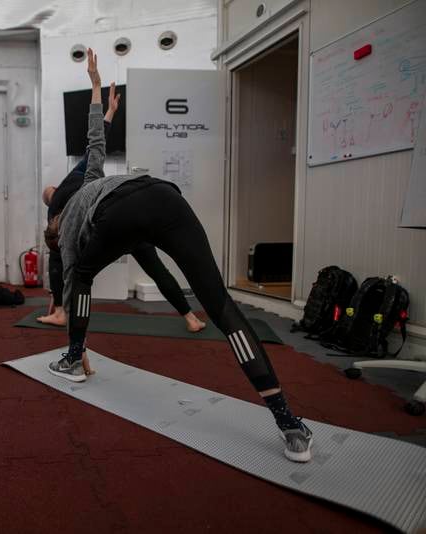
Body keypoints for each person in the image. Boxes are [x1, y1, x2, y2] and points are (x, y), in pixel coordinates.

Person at [45, 49, 313, 463]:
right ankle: (288, 422)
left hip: (120, 214)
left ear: (55, 229)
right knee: (221, 305)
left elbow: (71, 285)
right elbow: (96, 139)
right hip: (163, 196)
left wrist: (76, 343)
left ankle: (71, 360)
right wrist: (97, 88)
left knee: (82, 275)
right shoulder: (91, 181)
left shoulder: (65, 234)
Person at [38, 85, 206, 333]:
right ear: (53, 189)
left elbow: (64, 264)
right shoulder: (77, 183)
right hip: (126, 217)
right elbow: (96, 141)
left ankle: (64, 318)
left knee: (77, 273)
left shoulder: (56, 216)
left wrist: (59, 301)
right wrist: (107, 107)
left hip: (110, 231)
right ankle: (191, 317)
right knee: (157, 270)